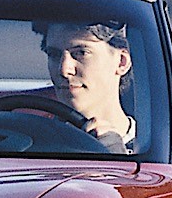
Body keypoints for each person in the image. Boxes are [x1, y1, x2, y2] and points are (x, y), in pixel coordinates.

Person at [38, 20, 136, 153]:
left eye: (81, 53)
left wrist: (117, 158)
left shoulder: (164, 152)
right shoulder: (30, 143)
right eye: (54, 54)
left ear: (121, 62)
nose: (64, 70)